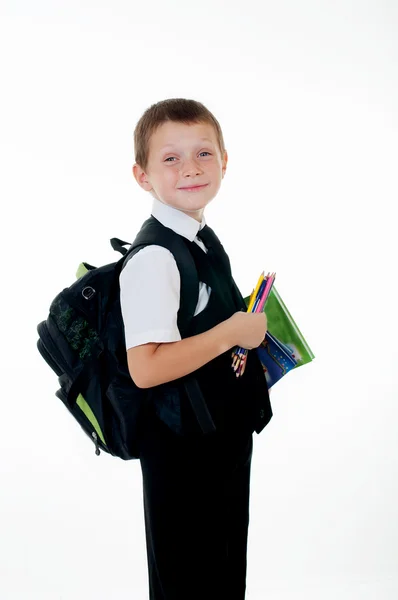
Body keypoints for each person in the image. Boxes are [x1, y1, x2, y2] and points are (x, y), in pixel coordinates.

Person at [119, 98, 273, 600]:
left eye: (204, 153)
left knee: (223, 575)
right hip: (180, 451)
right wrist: (230, 332)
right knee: (189, 580)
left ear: (225, 161)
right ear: (143, 176)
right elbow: (145, 368)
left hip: (216, 439)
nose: (191, 168)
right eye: (171, 158)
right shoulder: (155, 257)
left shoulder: (198, 238)